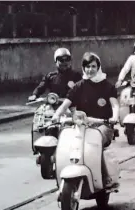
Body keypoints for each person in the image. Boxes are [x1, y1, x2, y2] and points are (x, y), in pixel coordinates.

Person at [51, 52, 120, 187]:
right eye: (87, 67)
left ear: (98, 67)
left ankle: (104, 176)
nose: (90, 70)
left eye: (93, 66)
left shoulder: (108, 86)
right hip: (82, 125)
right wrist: (56, 115)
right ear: (83, 68)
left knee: (96, 142)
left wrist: (114, 117)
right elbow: (65, 104)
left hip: (102, 125)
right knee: (67, 140)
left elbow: (114, 105)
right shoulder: (78, 86)